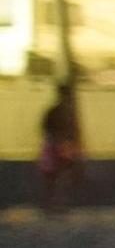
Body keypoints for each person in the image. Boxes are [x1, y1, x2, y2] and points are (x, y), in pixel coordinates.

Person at [38, 81, 85, 211]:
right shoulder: (65, 112)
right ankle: (56, 203)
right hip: (62, 146)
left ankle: (52, 203)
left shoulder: (54, 111)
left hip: (57, 145)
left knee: (54, 176)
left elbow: (44, 127)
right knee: (59, 176)